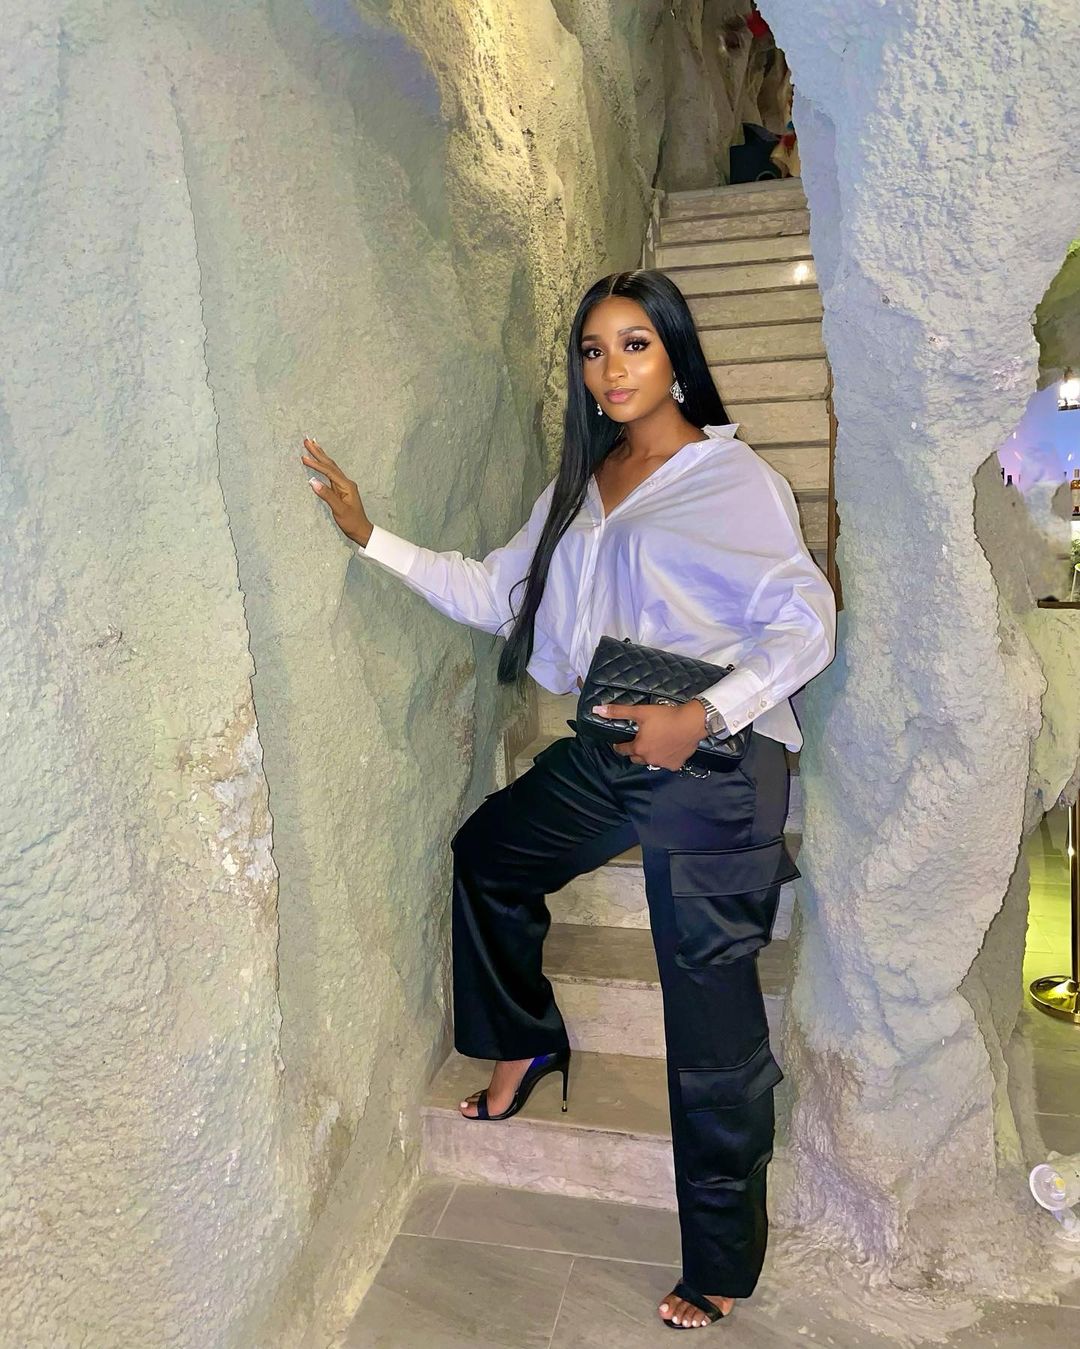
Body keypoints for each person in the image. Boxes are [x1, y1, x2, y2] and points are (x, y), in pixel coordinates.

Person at [301, 268, 837, 1329]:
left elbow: (807, 619)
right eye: (594, 350)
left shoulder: (732, 480)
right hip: (612, 741)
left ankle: (720, 1258)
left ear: (675, 356)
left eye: (635, 344)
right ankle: (525, 1037)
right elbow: (498, 591)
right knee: (490, 854)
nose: (612, 368)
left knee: (709, 1018)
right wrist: (370, 535)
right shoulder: (583, 486)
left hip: (716, 762)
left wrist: (707, 713)